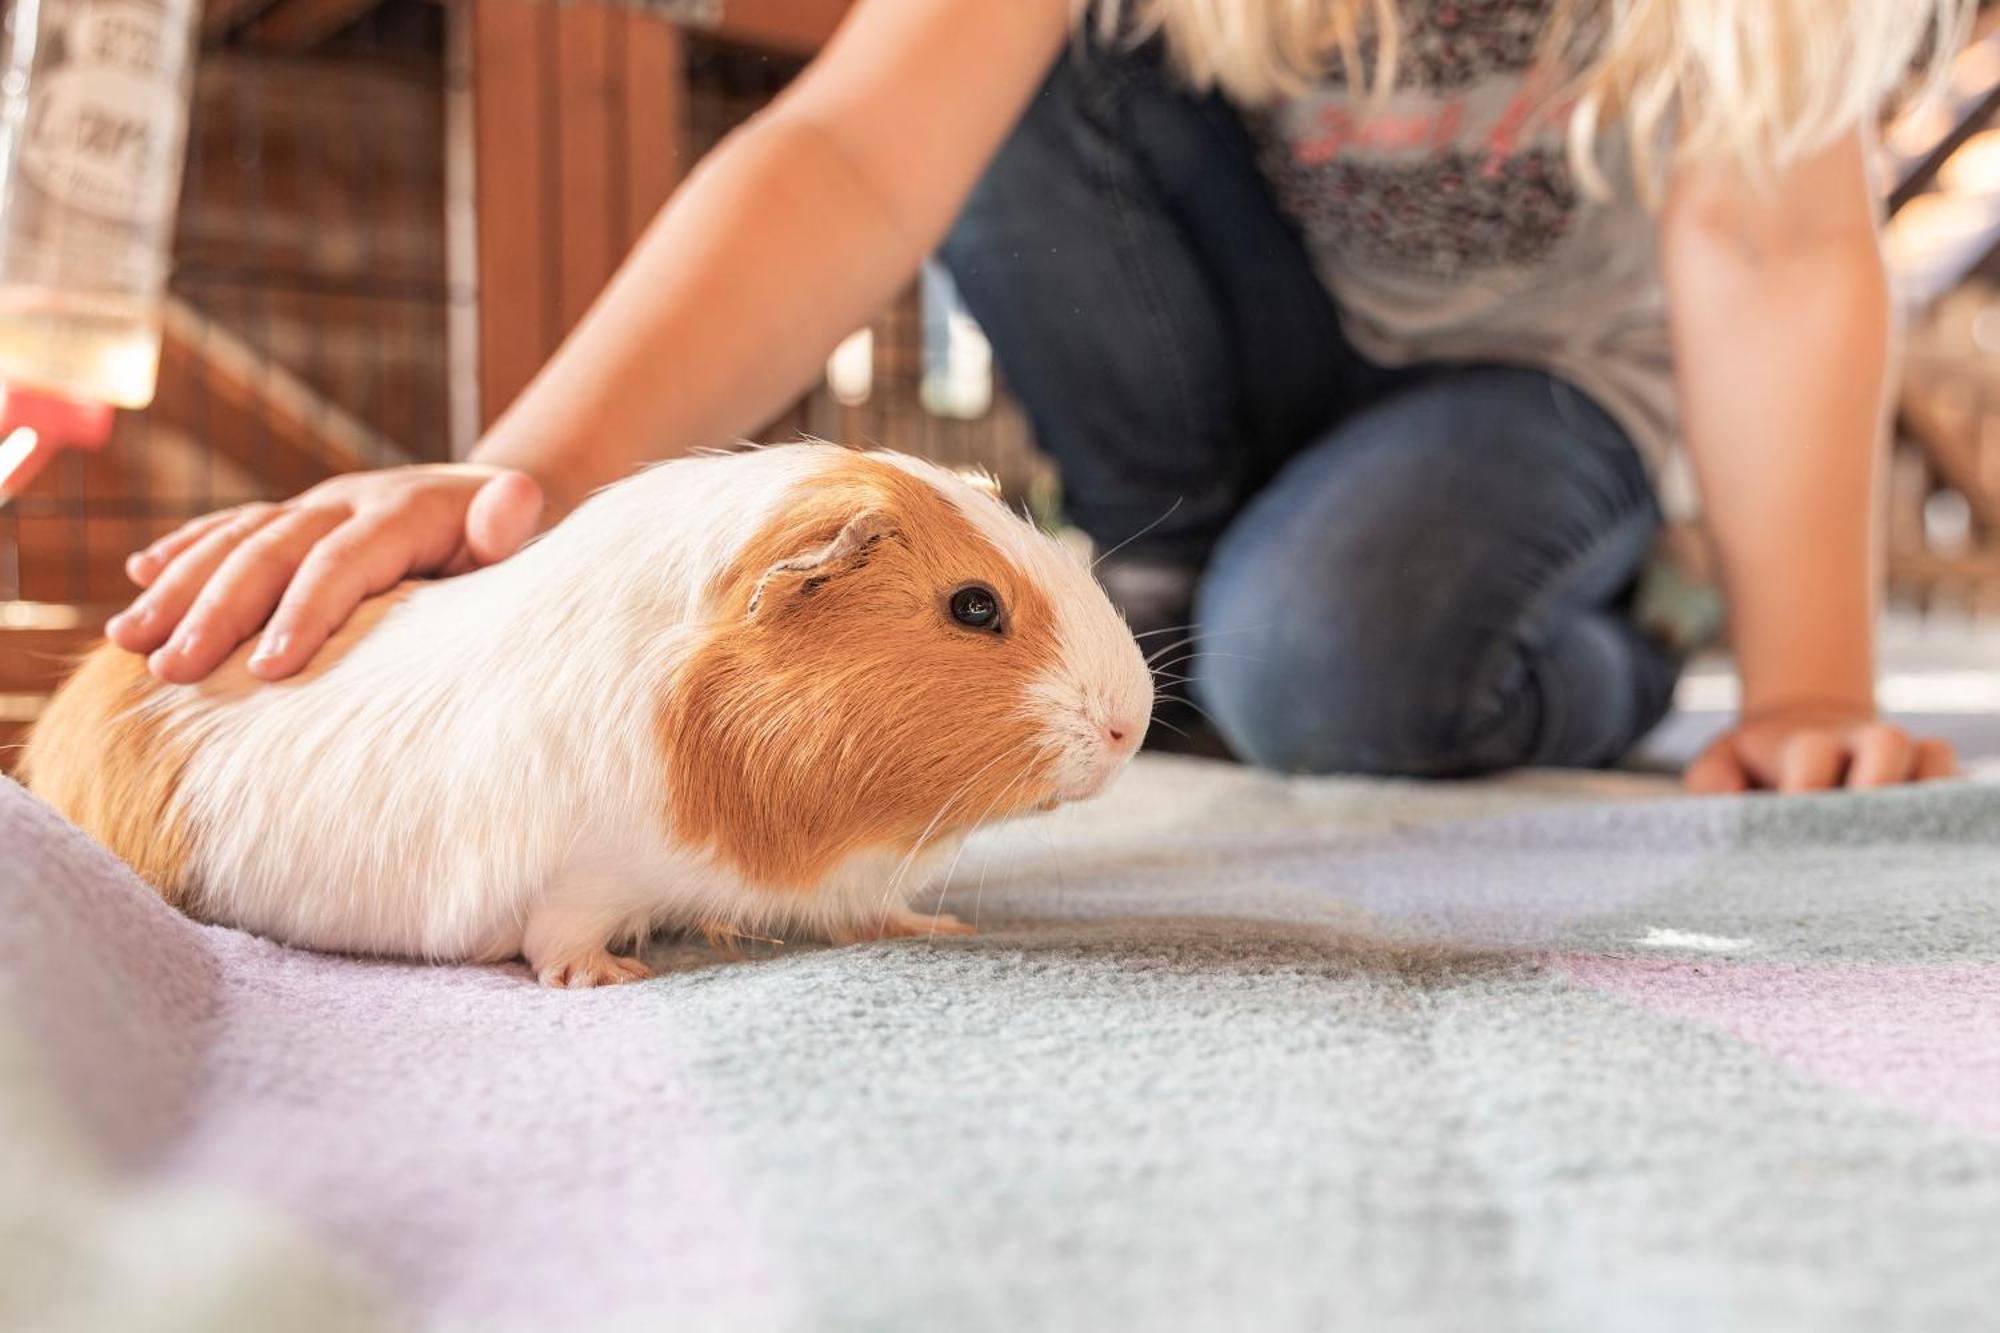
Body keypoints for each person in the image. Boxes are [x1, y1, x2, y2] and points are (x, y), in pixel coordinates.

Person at [109, 0, 1965, 792]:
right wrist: (526, 478)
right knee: (998, 93)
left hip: (1531, 396)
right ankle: (1175, 584)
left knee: (1338, 670)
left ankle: (1604, 639)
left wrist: (1808, 689)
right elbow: (855, 153)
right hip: (1248, 349)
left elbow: (1779, 253)